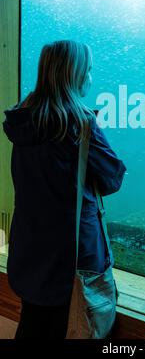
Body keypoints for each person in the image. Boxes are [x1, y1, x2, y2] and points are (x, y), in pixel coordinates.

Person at [2, 40, 126, 339]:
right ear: (75, 73)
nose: (91, 77)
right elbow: (112, 179)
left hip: (30, 249)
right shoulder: (79, 124)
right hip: (70, 258)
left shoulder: (23, 119)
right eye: (89, 70)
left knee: (33, 324)